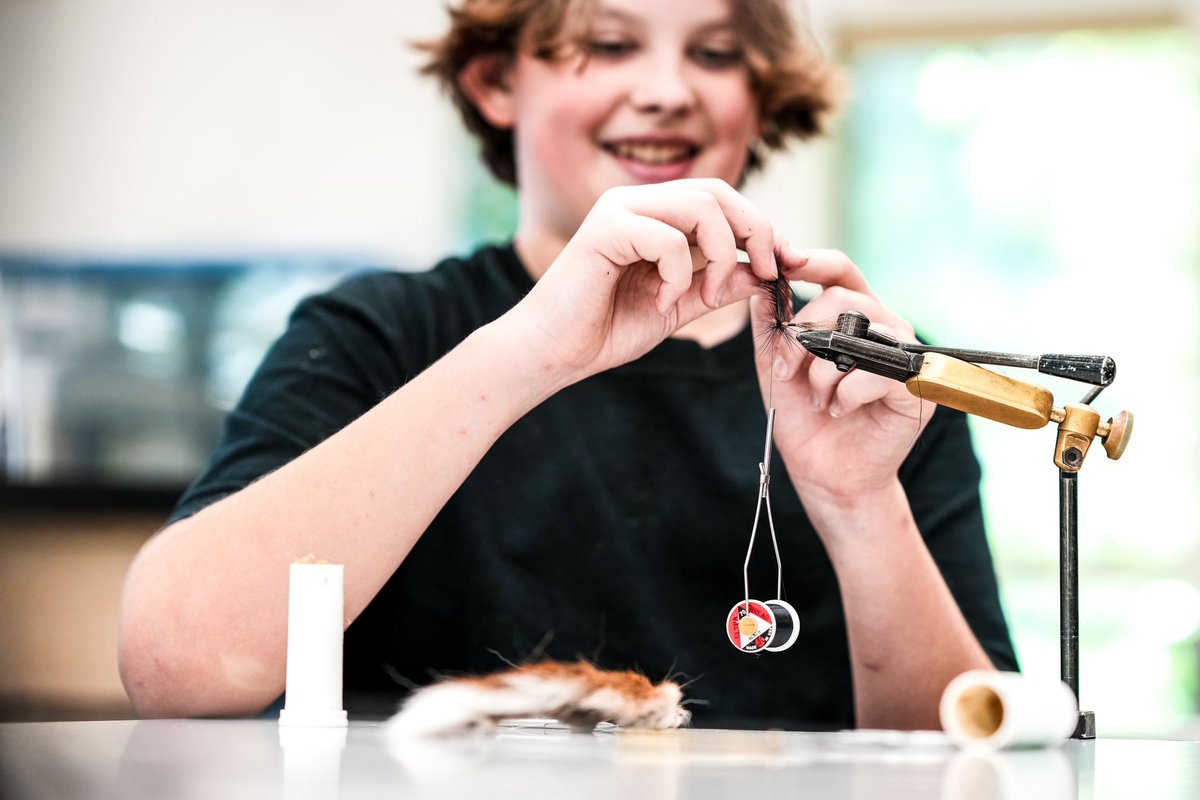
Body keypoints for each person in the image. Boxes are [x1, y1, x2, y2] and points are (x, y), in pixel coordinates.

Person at [117, 0, 1016, 730]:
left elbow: (973, 749)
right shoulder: (376, 333)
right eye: (607, 43)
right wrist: (530, 350)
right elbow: (173, 667)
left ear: (761, 94)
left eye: (715, 53)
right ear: (497, 81)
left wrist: (861, 504)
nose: (667, 90)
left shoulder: (872, 386)